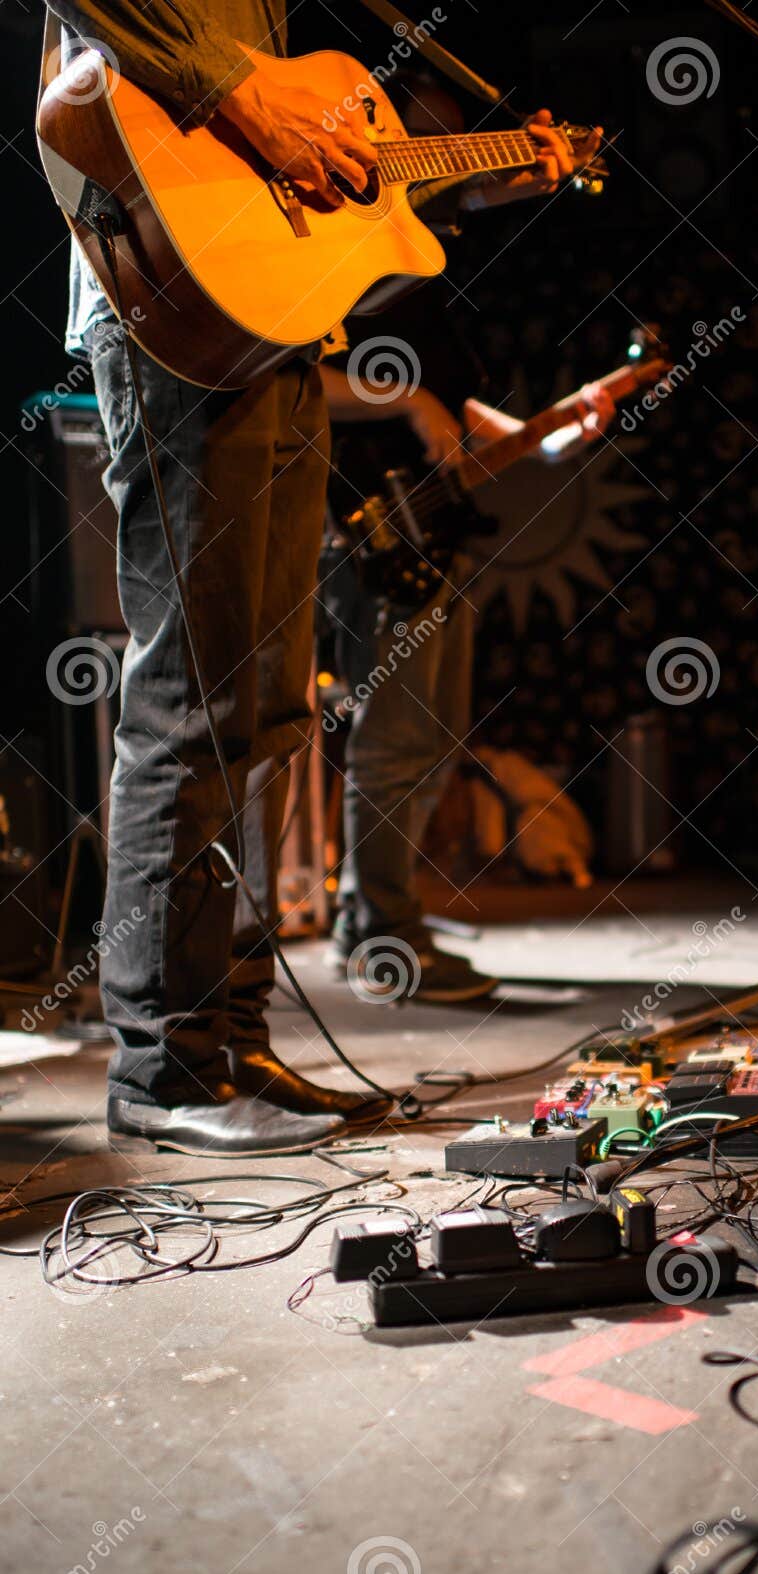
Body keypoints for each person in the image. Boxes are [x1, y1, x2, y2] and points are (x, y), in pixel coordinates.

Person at [42, 0, 587, 1153]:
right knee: (193, 701)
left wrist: (478, 178)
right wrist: (240, 95)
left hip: (270, 323)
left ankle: (231, 1039)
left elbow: (319, 180)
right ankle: (166, 1066)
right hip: (171, 315)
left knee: (265, 709)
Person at [319, 339, 614, 1002]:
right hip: (370, 539)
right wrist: (408, 398)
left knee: (433, 744)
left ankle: (362, 924)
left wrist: (559, 436)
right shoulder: (352, 276)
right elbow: (296, 377)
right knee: (395, 745)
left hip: (436, 548)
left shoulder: (424, 296)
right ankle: (387, 938)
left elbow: (471, 423)